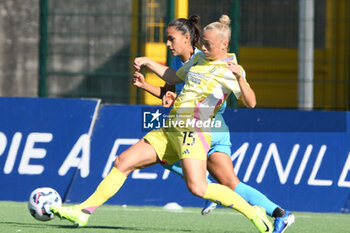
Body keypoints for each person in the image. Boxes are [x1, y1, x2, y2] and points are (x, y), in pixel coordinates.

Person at [51, 15, 273, 233]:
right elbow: (174, 77)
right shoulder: (198, 59)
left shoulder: (230, 69)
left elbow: (251, 103)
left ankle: (254, 213)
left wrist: (241, 80)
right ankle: (83, 211)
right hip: (170, 128)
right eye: (202, 42)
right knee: (123, 162)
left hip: (194, 131)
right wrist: (148, 63)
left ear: (224, 45)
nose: (203, 47)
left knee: (198, 187)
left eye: (208, 44)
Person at [133, 15, 294, 233]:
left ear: (187, 38)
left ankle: (207, 190)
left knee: (167, 158)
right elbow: (169, 91)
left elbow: (234, 101)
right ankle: (279, 213)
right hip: (202, 125)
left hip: (206, 126)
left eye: (171, 39)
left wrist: (239, 80)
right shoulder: (182, 63)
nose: (168, 44)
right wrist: (150, 86)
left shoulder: (206, 59)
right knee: (231, 183)